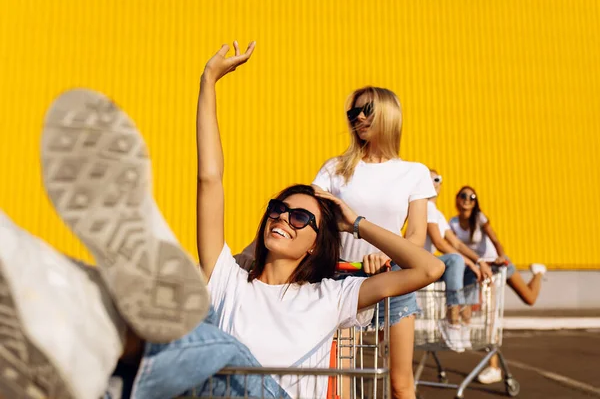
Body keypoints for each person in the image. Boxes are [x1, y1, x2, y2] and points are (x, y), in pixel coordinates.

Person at [0, 42, 445, 399]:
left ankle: (116, 321)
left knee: (221, 346)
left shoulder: (333, 295)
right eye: (276, 209)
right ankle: (43, 277)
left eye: (298, 217)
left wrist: (356, 222)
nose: (282, 219)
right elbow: (209, 179)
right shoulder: (231, 279)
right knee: (189, 334)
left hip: (259, 386)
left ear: (315, 242)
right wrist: (208, 82)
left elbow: (429, 267)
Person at [311, 85, 436, 399]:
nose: (359, 118)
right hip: (344, 283)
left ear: (388, 113)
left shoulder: (414, 173)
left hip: (394, 283)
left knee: (400, 384)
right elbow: (313, 216)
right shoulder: (334, 169)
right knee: (339, 382)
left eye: (367, 109)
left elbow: (416, 236)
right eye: (353, 112)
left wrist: (385, 258)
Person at [449, 185, 546, 384]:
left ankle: (537, 272)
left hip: (497, 266)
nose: (467, 199)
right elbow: (453, 247)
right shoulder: (453, 223)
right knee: (482, 314)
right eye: (464, 196)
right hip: (476, 270)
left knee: (529, 298)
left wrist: (501, 256)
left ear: (475, 202)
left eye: (472, 197)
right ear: (457, 199)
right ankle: (493, 367)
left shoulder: (480, 219)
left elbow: (495, 240)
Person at [424, 170, 493, 352]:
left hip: (432, 263)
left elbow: (455, 243)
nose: (434, 183)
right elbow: (439, 242)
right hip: (420, 263)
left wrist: (478, 261)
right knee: (456, 260)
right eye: (430, 179)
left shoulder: (437, 213)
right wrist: (468, 262)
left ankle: (464, 322)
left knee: (469, 270)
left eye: (438, 179)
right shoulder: (425, 207)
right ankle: (452, 321)